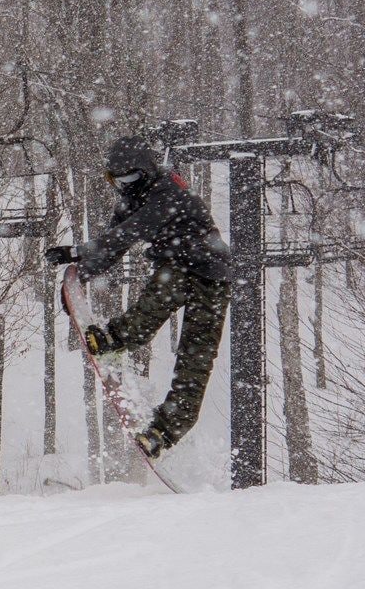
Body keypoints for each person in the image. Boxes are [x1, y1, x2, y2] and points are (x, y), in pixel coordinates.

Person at [46, 135, 233, 458]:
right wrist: (79, 279)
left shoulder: (167, 190)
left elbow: (132, 231)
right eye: (117, 180)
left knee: (195, 356)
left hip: (205, 268)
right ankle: (118, 341)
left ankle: (164, 429)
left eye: (131, 178)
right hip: (180, 264)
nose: (125, 186)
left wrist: (77, 251)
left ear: (146, 171)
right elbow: (113, 244)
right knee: (162, 295)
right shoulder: (130, 199)